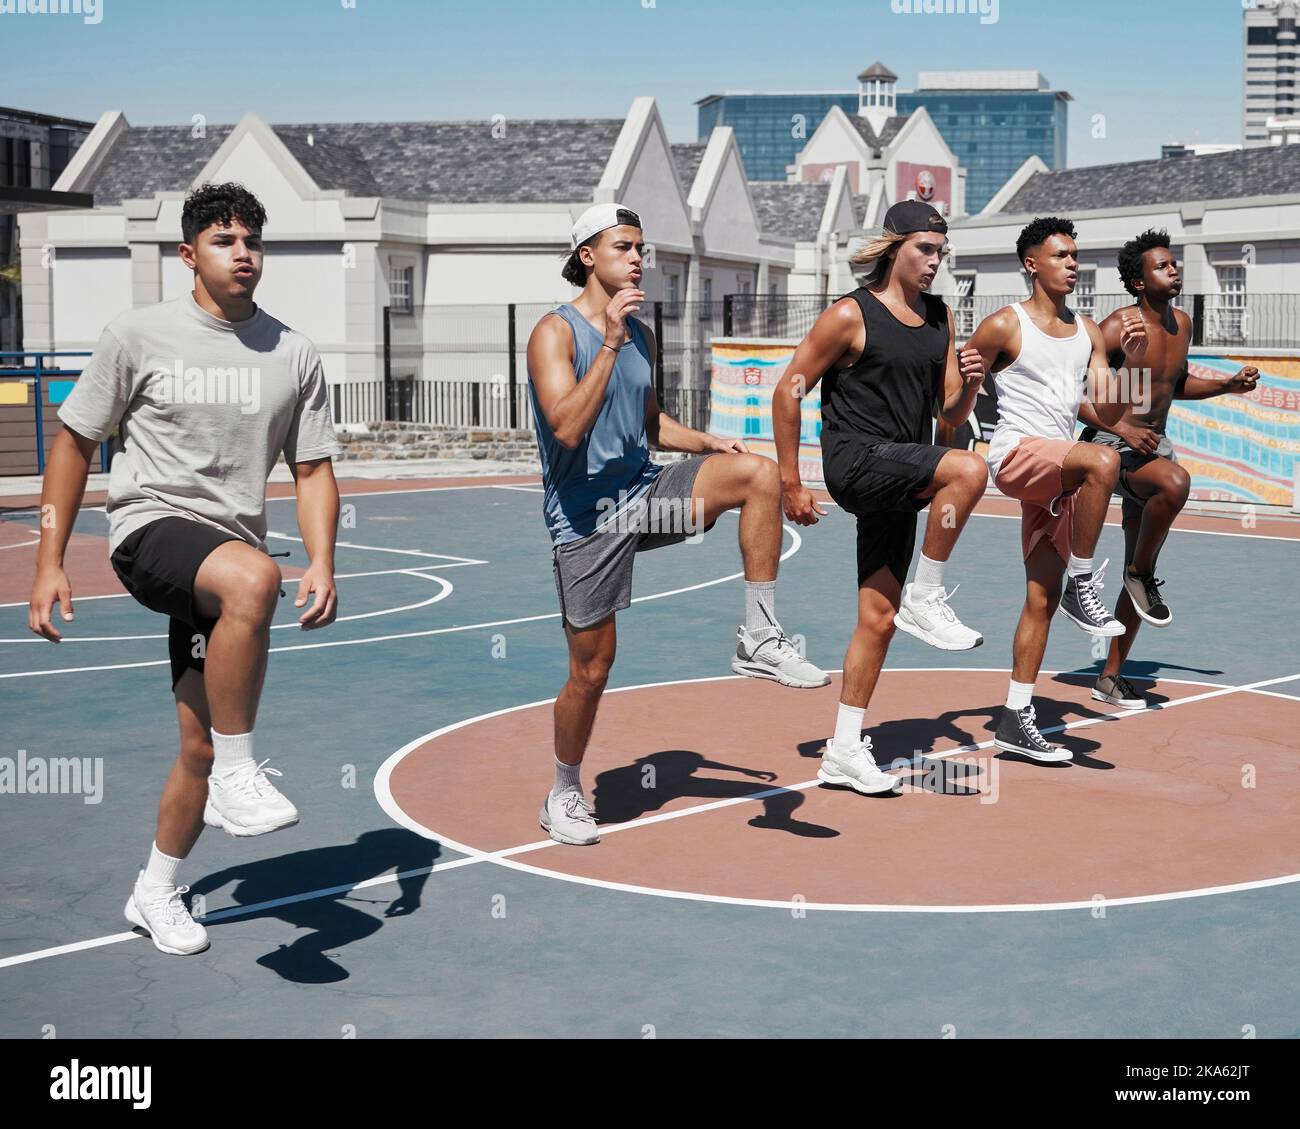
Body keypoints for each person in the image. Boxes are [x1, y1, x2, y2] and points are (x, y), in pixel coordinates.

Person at [27, 182, 342, 954]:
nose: (243, 254)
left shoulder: (292, 351)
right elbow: (72, 442)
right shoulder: (137, 335)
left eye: (253, 242)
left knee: (196, 744)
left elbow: (311, 470)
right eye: (225, 240)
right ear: (188, 254)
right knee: (255, 579)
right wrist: (49, 562)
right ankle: (242, 773)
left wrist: (326, 560)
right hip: (150, 532)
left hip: (223, 553)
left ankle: (154, 891)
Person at [526, 203, 829, 845]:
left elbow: (649, 422)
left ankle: (760, 635)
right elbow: (567, 428)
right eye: (624, 247)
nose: (638, 259)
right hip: (589, 519)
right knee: (592, 668)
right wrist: (608, 339)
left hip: (648, 496)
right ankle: (564, 790)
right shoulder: (554, 334)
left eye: (642, 248)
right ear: (587, 256)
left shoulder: (641, 333)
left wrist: (706, 444)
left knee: (758, 474)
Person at [774, 200, 989, 795]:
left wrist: (970, 382)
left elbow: (949, 416)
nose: (934, 262)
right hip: (858, 462)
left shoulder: (941, 316)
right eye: (925, 249)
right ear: (895, 247)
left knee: (878, 618)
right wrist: (791, 480)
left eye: (942, 252)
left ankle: (843, 750)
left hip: (902, 468)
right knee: (971, 471)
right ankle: (928, 593)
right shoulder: (849, 314)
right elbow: (788, 391)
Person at [965, 216, 1132, 762]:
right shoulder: (1003, 324)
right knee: (1103, 462)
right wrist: (962, 388)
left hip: (1056, 473)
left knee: (1038, 597)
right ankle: (1082, 585)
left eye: (1076, 256)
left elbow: (1107, 411)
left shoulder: (1087, 332)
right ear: (1032, 263)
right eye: (1061, 255)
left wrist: (1120, 359)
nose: (1073, 264)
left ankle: (1016, 717)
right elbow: (954, 393)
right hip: (1016, 455)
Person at [1081, 229, 1259, 708]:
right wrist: (1122, 431)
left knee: (1141, 571)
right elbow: (1078, 399)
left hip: (1151, 447)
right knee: (1175, 483)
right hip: (1109, 444)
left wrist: (1226, 385)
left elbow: (1174, 383)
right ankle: (1138, 575)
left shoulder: (1182, 322)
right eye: (1162, 266)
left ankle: (1110, 677)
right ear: (1139, 283)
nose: (1174, 270)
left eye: (1174, 263)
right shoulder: (1119, 326)